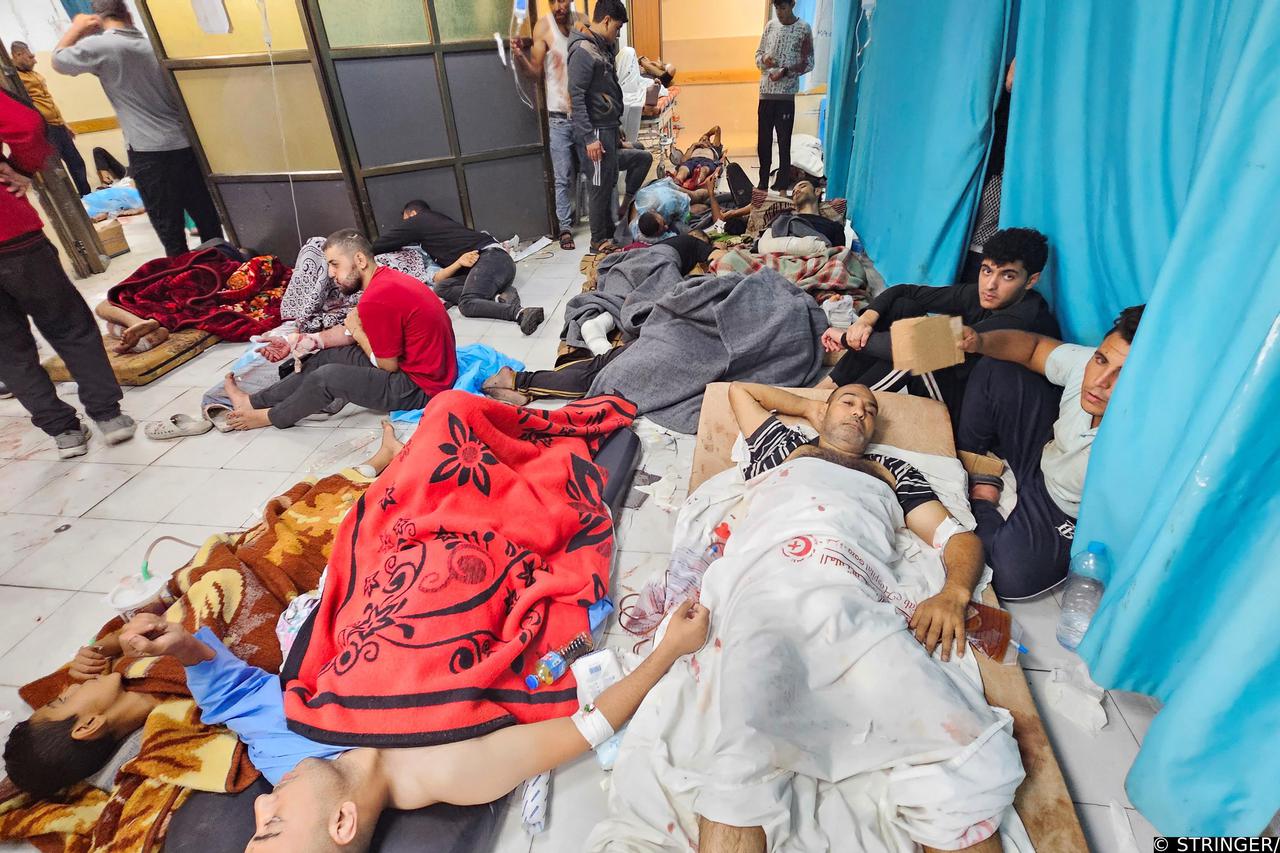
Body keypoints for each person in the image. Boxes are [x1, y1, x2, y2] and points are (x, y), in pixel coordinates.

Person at [587, 382, 1020, 852]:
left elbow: (958, 539)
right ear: (825, 410)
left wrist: (953, 592)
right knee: (741, 739)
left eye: (870, 410)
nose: (860, 413)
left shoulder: (892, 470)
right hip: (766, 588)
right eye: (849, 403)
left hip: (851, 598)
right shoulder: (784, 447)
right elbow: (738, 394)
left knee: (949, 737)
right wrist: (809, 408)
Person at [115, 598, 709, 852]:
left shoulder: (288, 763)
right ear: (343, 821)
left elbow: (236, 694)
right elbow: (588, 727)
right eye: (272, 829)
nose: (258, 807)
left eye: (256, 828)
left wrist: (187, 648)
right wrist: (668, 649)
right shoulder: (451, 770)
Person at [955, 305, 1145, 598]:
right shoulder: (1090, 367)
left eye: (1123, 375)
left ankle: (982, 498)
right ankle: (978, 466)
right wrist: (980, 342)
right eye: (1101, 360)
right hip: (1045, 452)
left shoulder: (1143, 441)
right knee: (996, 364)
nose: (1100, 382)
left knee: (1008, 577)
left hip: (1061, 510)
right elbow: (1033, 349)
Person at [0, 91, 134, 457]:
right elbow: (27, 124)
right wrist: (24, 169)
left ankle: (64, 432)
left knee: (8, 349)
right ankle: (108, 417)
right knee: (68, 325)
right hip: (12, 235)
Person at [223, 229, 457, 430]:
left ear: (360, 260)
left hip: (421, 387)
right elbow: (346, 332)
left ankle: (270, 417)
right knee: (324, 357)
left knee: (327, 377)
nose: (331, 274)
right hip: (426, 371)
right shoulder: (385, 281)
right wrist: (300, 340)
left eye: (335, 264)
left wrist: (358, 333)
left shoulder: (377, 297)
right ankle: (252, 402)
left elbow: (388, 364)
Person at [819, 228, 1059, 415]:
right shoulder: (984, 294)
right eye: (987, 270)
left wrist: (844, 338)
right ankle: (828, 387)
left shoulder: (1023, 318)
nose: (991, 285)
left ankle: (839, 405)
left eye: (1007, 276)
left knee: (917, 353)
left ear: (1030, 281)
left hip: (972, 409)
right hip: (957, 377)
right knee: (904, 308)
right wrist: (865, 321)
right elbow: (906, 291)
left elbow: (923, 346)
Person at [51, 0, 221, 256]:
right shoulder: (154, 45)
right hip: (186, 146)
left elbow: (58, 60)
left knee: (171, 233)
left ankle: (189, 285)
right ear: (129, 12)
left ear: (97, 18)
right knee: (209, 222)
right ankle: (226, 276)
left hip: (149, 153)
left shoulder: (104, 45)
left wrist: (76, 28)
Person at [482, 234, 717, 405]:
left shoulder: (672, 247)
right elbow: (718, 261)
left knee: (608, 366)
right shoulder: (692, 243)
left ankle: (524, 384)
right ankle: (519, 380)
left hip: (678, 327)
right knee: (609, 372)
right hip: (679, 327)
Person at [370, 199, 545, 334]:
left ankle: (521, 313)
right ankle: (501, 295)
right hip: (493, 265)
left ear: (413, 214)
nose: (405, 226)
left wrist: (363, 253)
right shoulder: (440, 223)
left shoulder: (420, 220)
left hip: (491, 258)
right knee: (442, 287)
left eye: (405, 221)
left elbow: (383, 243)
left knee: (467, 304)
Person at [568, 0, 653, 252]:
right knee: (597, 187)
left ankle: (609, 234)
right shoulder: (583, 50)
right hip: (593, 132)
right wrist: (589, 138)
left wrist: (615, 128)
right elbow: (576, 97)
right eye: (616, 28)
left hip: (606, 130)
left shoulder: (600, 48)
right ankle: (598, 241)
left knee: (606, 183)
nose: (617, 34)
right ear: (605, 20)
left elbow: (606, 91)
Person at [514, 0, 580, 250]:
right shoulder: (543, 27)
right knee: (562, 176)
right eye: (553, 1)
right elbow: (535, 72)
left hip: (584, 116)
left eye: (562, 0)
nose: (558, 6)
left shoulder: (582, 24)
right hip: (558, 117)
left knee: (593, 170)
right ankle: (565, 228)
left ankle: (600, 225)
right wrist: (519, 56)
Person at [9, 41, 91, 196]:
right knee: (56, 168)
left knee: (76, 162)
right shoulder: (14, 78)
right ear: (18, 55)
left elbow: (48, 101)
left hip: (58, 125)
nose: (35, 60)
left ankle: (87, 197)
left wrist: (64, 124)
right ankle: (71, 205)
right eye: (30, 56)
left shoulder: (33, 74)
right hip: (45, 128)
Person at [754, 0, 814, 192]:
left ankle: (782, 182)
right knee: (763, 140)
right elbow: (757, 56)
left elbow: (809, 63)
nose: (779, 12)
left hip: (786, 96)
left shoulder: (803, 29)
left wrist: (786, 71)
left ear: (792, 5)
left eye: (783, 7)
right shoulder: (770, 26)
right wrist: (764, 60)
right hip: (766, 93)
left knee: (784, 140)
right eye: (776, 8)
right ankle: (763, 180)